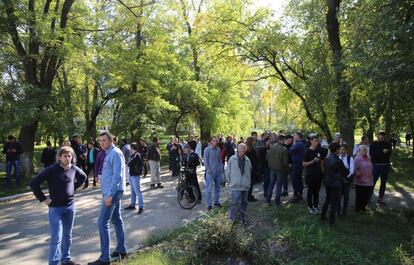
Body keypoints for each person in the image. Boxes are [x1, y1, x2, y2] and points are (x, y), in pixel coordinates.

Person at [29, 146, 86, 265]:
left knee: (67, 235)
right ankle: (54, 262)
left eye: (69, 156)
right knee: (56, 238)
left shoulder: (74, 169)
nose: (68, 158)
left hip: (70, 207)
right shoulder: (51, 170)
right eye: (65, 156)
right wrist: (43, 199)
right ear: (59, 157)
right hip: (56, 209)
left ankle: (66, 259)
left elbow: (83, 177)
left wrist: (72, 188)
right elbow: (34, 183)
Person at [88, 132, 127, 265]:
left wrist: (109, 195)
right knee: (116, 220)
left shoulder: (115, 153)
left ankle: (104, 258)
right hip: (111, 191)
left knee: (102, 222)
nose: (101, 143)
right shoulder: (108, 153)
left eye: (104, 140)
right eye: (100, 141)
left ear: (111, 140)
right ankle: (121, 249)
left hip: (112, 192)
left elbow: (117, 176)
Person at [320, 142, 348, 225]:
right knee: (334, 202)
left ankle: (322, 216)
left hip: (327, 182)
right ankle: (332, 221)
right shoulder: (338, 161)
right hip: (335, 183)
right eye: (339, 148)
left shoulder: (327, 159)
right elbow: (346, 172)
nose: (340, 150)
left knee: (328, 199)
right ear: (336, 150)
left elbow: (325, 170)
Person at [225, 143, 252, 224]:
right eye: (241, 148)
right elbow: (227, 171)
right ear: (238, 149)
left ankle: (242, 218)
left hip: (245, 185)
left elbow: (250, 171)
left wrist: (248, 182)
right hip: (235, 185)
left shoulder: (247, 160)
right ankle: (231, 219)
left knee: (244, 203)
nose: (243, 149)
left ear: (245, 150)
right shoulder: (232, 159)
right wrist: (229, 181)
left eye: (244, 148)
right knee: (234, 203)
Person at [303, 134, 324, 214]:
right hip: (310, 175)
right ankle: (310, 206)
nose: (317, 142)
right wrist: (313, 161)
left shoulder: (319, 150)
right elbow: (303, 164)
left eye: (317, 141)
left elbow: (321, 160)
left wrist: (322, 170)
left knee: (317, 191)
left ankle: (315, 206)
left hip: (318, 174)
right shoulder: (307, 151)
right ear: (311, 141)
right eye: (315, 141)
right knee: (310, 191)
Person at [369, 131, 392, 206]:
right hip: (376, 165)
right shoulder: (373, 144)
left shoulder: (387, 144)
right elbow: (372, 154)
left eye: (383, 135)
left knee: (383, 183)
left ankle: (380, 199)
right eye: (380, 135)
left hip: (385, 165)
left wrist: (379, 154)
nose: (382, 136)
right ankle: (368, 199)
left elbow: (389, 154)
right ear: (377, 135)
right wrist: (382, 152)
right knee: (373, 182)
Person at [266, 134, 289, 207]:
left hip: (272, 169)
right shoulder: (284, 149)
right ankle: (277, 203)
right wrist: (287, 170)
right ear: (283, 140)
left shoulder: (272, 147)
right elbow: (285, 162)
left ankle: (268, 200)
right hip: (280, 170)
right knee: (278, 186)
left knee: (271, 185)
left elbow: (267, 157)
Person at [124, 142, 144, 214]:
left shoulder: (136, 155)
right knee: (132, 191)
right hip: (132, 175)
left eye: (130, 148)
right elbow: (127, 161)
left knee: (137, 191)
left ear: (132, 148)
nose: (129, 149)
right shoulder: (133, 155)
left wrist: (128, 161)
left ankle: (141, 207)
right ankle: (132, 205)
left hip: (135, 175)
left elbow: (128, 163)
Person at [204, 136, 223, 210]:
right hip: (210, 173)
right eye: (214, 141)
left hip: (218, 172)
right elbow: (205, 161)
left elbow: (219, 160)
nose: (215, 142)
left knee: (218, 188)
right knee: (209, 189)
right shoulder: (207, 149)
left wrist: (221, 168)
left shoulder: (218, 149)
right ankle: (209, 204)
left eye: (216, 141)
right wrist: (208, 170)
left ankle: (217, 202)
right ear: (211, 141)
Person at [354, 145, 373, 212]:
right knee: (360, 196)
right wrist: (357, 172)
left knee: (366, 195)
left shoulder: (368, 158)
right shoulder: (357, 159)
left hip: (368, 180)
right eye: (363, 150)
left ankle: (363, 207)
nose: (365, 151)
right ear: (359, 151)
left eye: (366, 150)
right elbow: (354, 168)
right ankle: (358, 208)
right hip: (360, 181)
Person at [289, 131, 306, 202]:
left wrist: (293, 144)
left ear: (298, 136)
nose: (293, 137)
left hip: (297, 163)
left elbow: (290, 151)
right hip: (299, 163)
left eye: (294, 135)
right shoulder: (302, 143)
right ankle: (300, 194)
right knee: (298, 179)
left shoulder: (298, 144)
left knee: (295, 179)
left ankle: (296, 196)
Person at [337, 144, 354, 216]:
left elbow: (352, 170)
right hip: (338, 180)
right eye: (340, 149)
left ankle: (344, 210)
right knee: (338, 196)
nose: (342, 151)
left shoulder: (350, 158)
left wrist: (346, 178)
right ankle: (338, 210)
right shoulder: (337, 158)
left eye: (343, 149)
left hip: (346, 180)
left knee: (346, 196)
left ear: (346, 150)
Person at [245, 136, 259, 202]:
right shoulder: (249, 150)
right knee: (249, 184)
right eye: (253, 141)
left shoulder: (250, 149)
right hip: (250, 169)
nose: (254, 142)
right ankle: (248, 197)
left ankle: (249, 196)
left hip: (251, 169)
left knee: (250, 184)